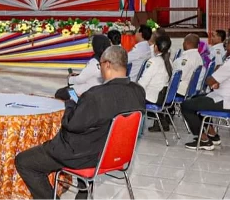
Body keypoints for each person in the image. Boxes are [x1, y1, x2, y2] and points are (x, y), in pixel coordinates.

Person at [15, 46, 145, 200]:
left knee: (24, 161)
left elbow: (71, 125)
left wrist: (70, 104)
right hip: (117, 155)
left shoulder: (96, 96)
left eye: (101, 64)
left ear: (107, 65)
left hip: (86, 156)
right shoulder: (138, 91)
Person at [181, 34, 230, 150]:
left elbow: (210, 80)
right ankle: (213, 135)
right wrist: (217, 80)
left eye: (227, 45)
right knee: (197, 99)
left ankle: (203, 140)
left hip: (226, 101)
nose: (225, 48)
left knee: (186, 106)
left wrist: (214, 79)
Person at [55, 35, 111, 100]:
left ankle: (77, 101)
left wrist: (70, 78)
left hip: (87, 91)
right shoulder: (111, 60)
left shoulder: (94, 62)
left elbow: (80, 79)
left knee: (60, 92)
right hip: (102, 91)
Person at [139, 35, 172, 132]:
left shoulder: (153, 62)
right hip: (162, 97)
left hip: (152, 98)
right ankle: (160, 121)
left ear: (156, 47)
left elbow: (143, 83)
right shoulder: (169, 61)